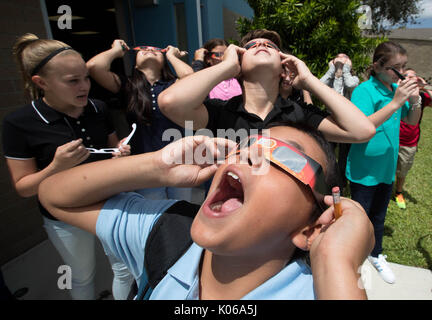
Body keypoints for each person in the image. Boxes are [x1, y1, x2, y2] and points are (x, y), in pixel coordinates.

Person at [38, 122, 374, 300]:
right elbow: (55, 196)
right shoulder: (167, 231)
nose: (251, 155)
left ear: (310, 229)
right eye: (248, 145)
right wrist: (157, 165)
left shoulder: (319, 291)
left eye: (285, 157)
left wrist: (335, 260)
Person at [2, 34, 133, 300]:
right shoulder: (19, 122)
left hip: (109, 204)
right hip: (64, 215)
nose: (84, 85)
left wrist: (120, 153)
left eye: (85, 77)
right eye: (73, 81)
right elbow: (24, 188)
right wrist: (56, 167)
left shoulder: (98, 108)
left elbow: (112, 149)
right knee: (82, 275)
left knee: (124, 270)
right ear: (42, 83)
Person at [158, 29, 375, 144]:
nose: (261, 45)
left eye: (270, 46)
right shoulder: (220, 112)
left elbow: (362, 130)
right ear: (239, 66)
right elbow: (170, 102)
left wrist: (309, 80)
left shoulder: (299, 114)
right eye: (251, 46)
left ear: (283, 66)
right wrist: (226, 67)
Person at [345, 42, 422, 284]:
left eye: (403, 67)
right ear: (378, 66)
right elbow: (362, 126)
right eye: (394, 68)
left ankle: (375, 254)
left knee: (378, 216)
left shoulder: (395, 90)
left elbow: (411, 120)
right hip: (363, 169)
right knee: (358, 217)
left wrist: (416, 101)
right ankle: (351, 259)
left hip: (386, 169)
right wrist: (395, 102)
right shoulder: (364, 91)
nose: (399, 73)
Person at [86, 39, 196, 201]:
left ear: (163, 62)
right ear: (135, 64)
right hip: (144, 165)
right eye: (143, 49)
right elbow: (94, 67)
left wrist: (172, 56)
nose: (150, 50)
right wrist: (116, 50)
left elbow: (188, 76)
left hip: (177, 160)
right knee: (153, 214)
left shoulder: (173, 85)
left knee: (181, 207)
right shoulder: (127, 85)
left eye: (157, 50)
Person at [320, 53, 360, 190]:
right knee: (328, 152)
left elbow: (349, 85)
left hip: (347, 122)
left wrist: (345, 70)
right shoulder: (330, 78)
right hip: (330, 121)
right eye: (338, 57)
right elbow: (318, 85)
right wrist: (333, 70)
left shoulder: (354, 78)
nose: (341, 60)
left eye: (345, 58)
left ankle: (342, 183)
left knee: (344, 155)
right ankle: (328, 179)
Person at [395, 68, 432, 209]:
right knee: (386, 169)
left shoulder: (420, 97)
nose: (411, 79)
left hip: (409, 142)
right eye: (407, 76)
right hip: (391, 140)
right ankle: (384, 193)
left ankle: (398, 192)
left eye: (413, 77)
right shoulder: (395, 92)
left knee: (402, 171)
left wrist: (424, 85)